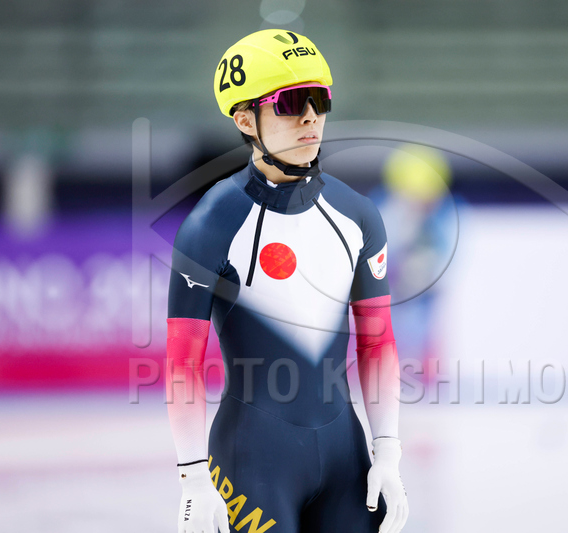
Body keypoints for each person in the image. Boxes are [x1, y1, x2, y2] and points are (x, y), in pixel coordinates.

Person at [165, 29, 409, 533]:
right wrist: (192, 477)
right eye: (290, 103)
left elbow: (378, 342)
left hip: (346, 459)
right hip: (253, 462)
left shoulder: (358, 216)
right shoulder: (213, 224)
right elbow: (182, 362)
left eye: (320, 99)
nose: (310, 117)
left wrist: (387, 451)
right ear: (244, 119)